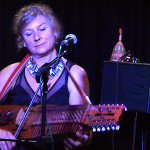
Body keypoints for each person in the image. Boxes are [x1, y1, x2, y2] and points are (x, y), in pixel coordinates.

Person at [0, 3, 92, 150]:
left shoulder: (75, 74)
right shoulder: (11, 72)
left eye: (42, 29)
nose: (37, 37)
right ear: (23, 41)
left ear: (55, 31)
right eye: (28, 33)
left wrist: (83, 138)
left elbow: (82, 127)